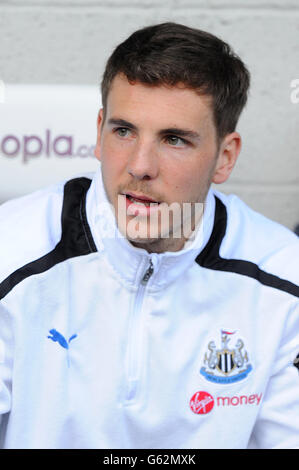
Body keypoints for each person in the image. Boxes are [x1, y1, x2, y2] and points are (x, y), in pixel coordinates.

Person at [0, 22, 298, 450]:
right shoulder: (11, 253)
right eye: (123, 131)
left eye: (174, 139)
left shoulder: (284, 279)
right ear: (99, 132)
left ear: (225, 157)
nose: (140, 165)